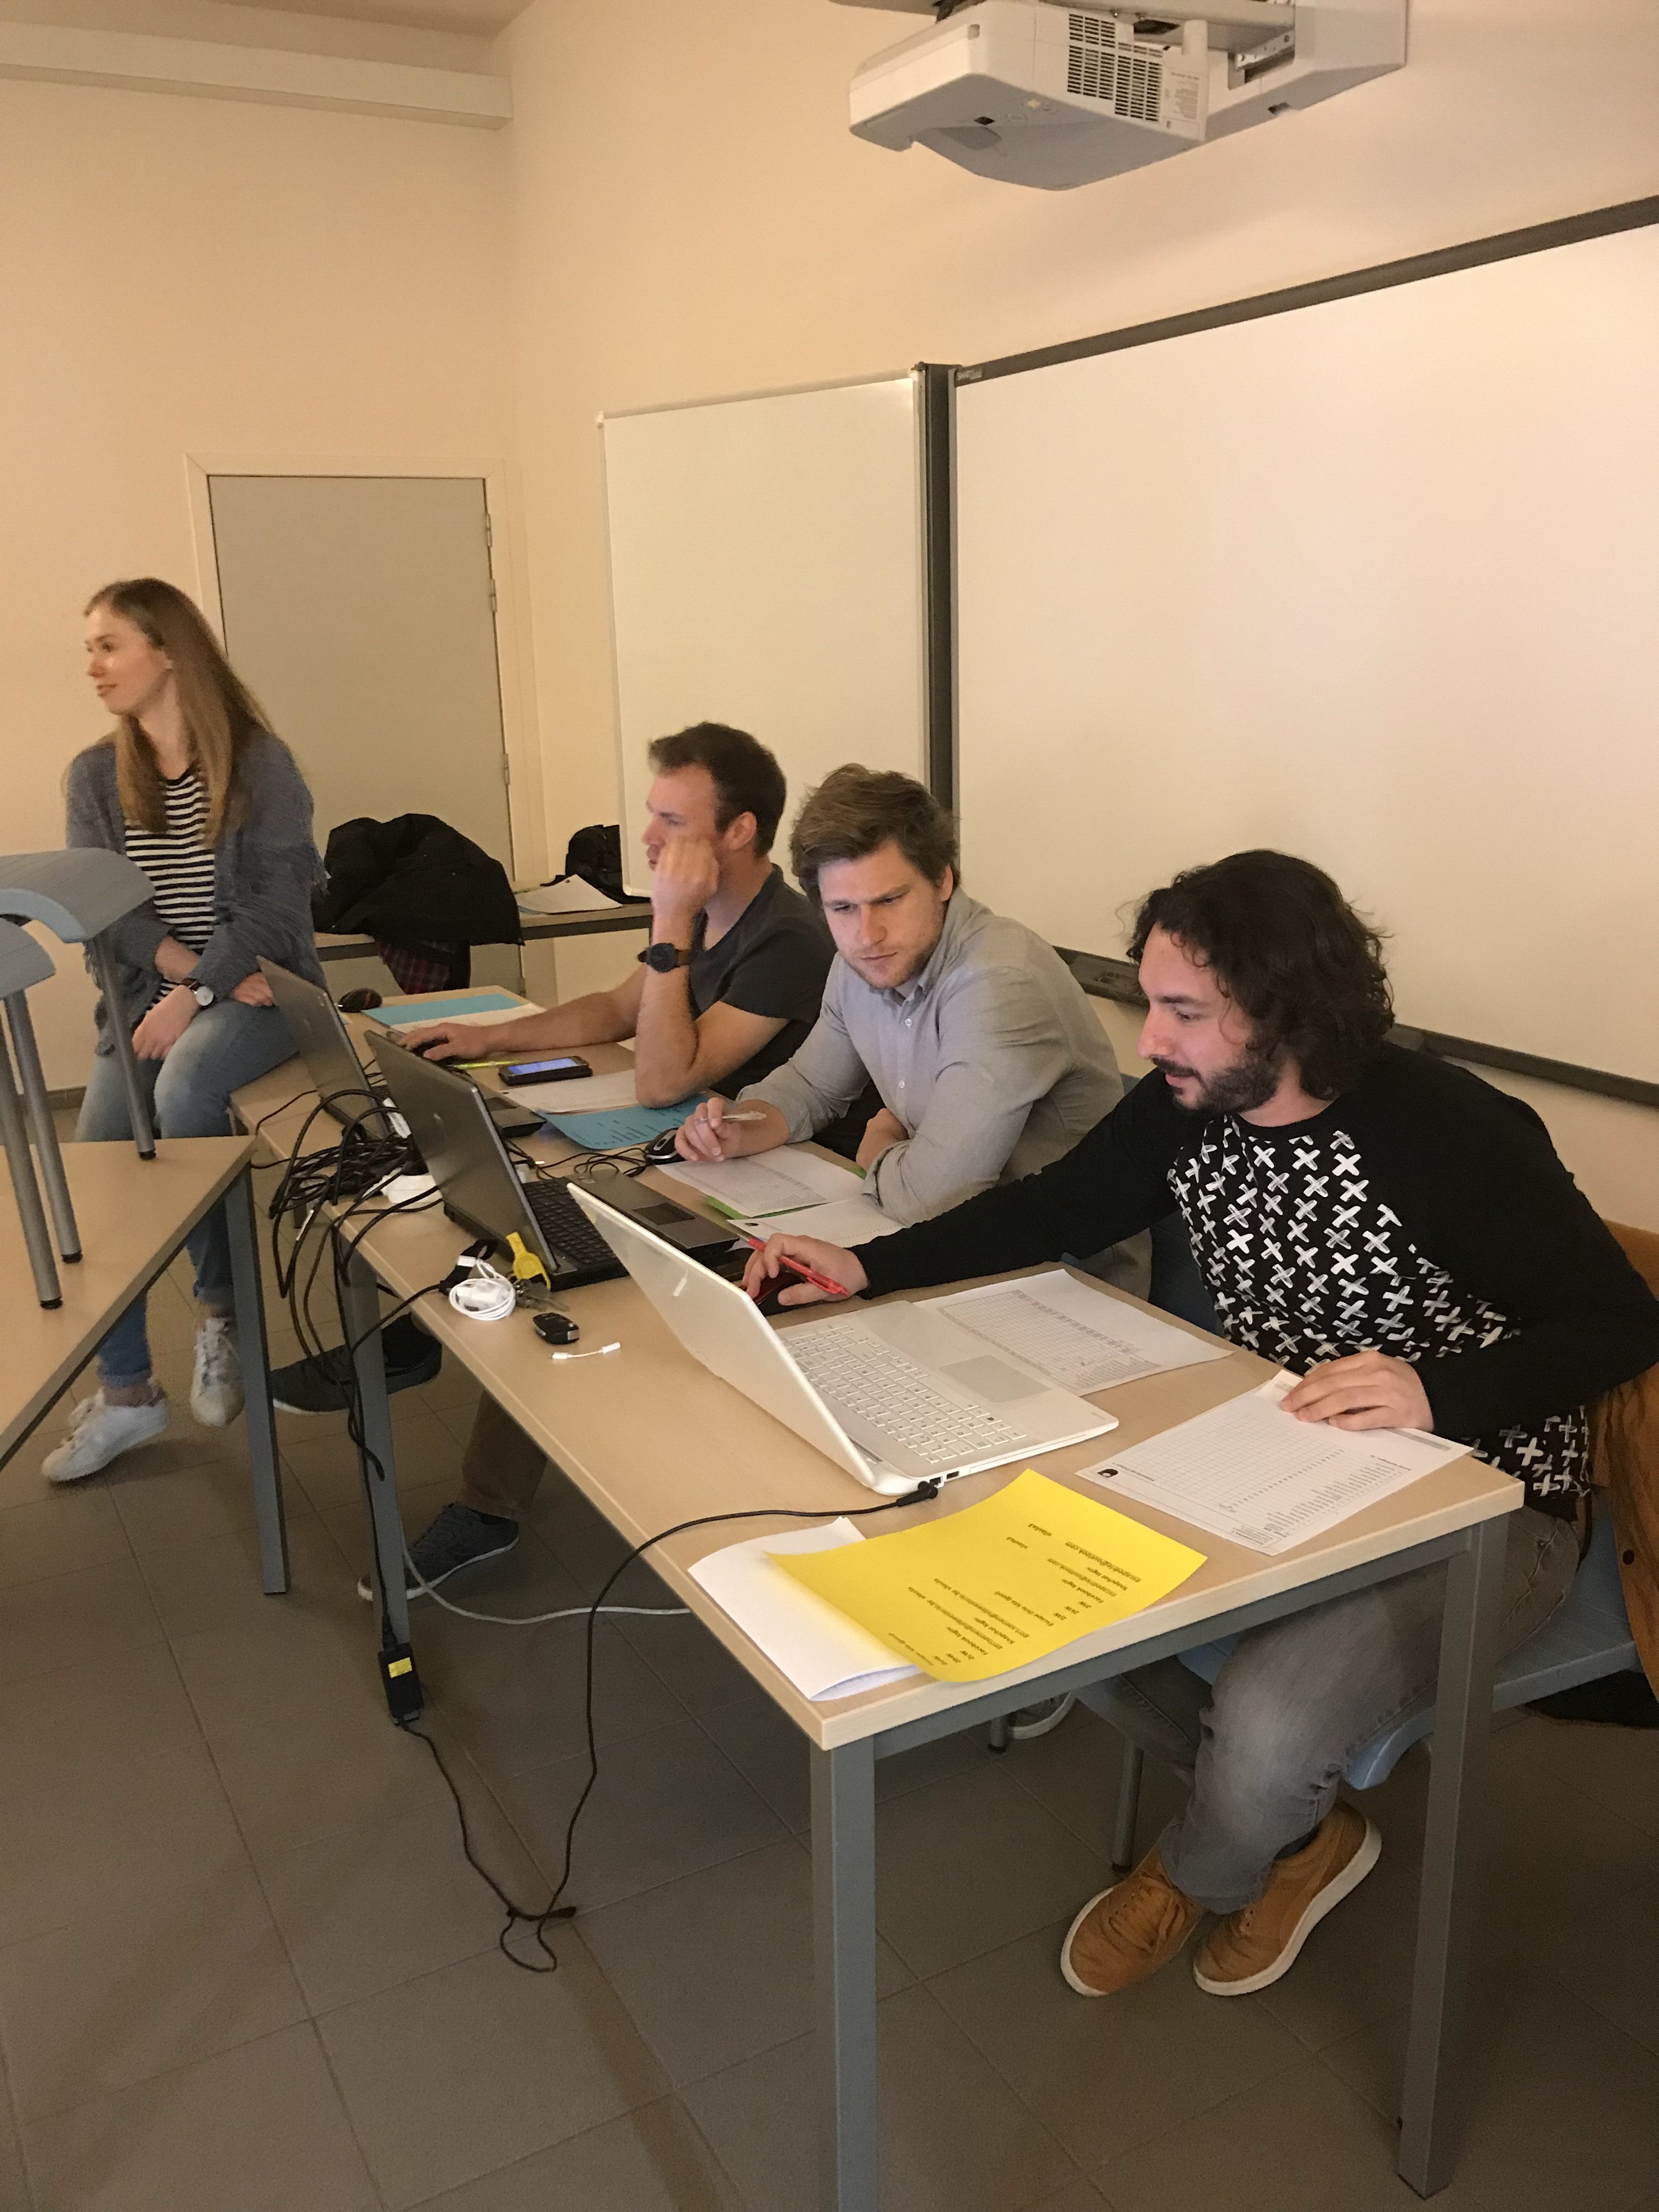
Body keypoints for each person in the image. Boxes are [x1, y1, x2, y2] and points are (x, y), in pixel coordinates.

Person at [743, 848, 1659, 2000]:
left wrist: (1437, 1393)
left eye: (1181, 1011)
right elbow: (1056, 1208)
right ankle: (1299, 1834)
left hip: (1492, 1497)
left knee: (1269, 1717)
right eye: (1151, 1005)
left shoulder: (1449, 1131)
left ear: (1284, 1012)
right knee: (1055, 1606)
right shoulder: (1189, 1102)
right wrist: (866, 1268)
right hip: (1282, 1457)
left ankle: (1202, 1865)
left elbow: (1621, 1323)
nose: (1148, 1041)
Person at [270, 721, 835, 1595]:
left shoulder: (788, 937)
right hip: (691, 1152)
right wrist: (488, 1037)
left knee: (545, 1258)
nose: (648, 839)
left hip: (758, 1188)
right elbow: (614, 1009)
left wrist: (670, 922)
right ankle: (412, 1341)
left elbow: (663, 1076)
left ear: (740, 831)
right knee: (504, 1185)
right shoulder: (712, 915)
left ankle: (486, 1509)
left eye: (672, 822)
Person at [44, 579, 323, 1483]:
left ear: (168, 652)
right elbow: (101, 915)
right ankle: (128, 1392)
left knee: (186, 1086)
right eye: (91, 649)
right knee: (95, 1171)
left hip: (263, 995)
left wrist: (198, 994)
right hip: (158, 995)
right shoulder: (96, 777)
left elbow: (276, 909)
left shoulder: (259, 764)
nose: (94, 666)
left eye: (109, 646)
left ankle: (221, 1311)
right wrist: (188, 980)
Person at [675, 764, 1145, 1290]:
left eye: (889, 901)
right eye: (842, 908)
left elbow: (934, 1199)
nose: (867, 935)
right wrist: (739, 1128)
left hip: (1068, 1283)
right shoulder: (862, 962)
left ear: (942, 879)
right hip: (943, 1252)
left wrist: (877, 1147)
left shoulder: (999, 983)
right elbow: (810, 1086)